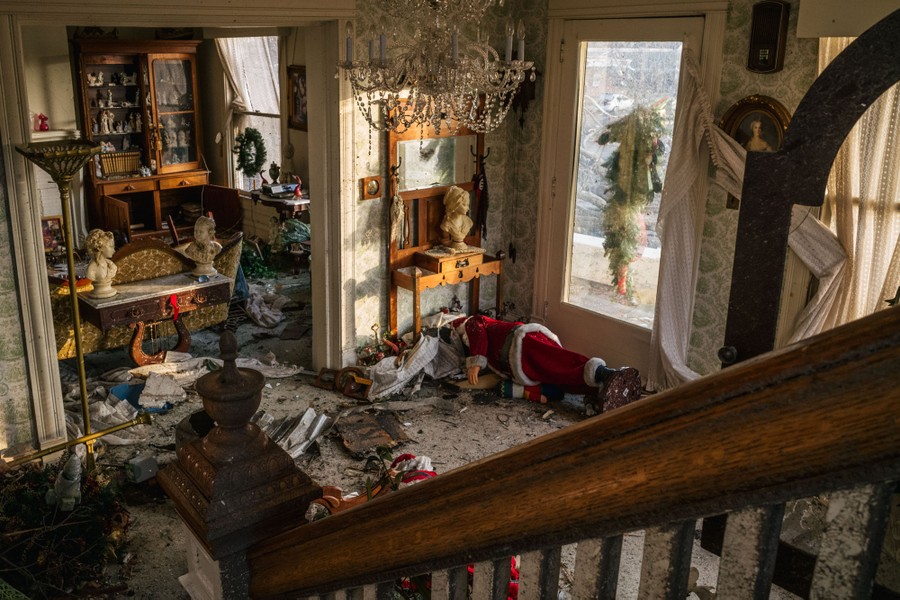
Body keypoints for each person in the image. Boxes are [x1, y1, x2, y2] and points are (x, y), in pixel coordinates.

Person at [454, 314, 642, 414]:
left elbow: (475, 327)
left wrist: (475, 362)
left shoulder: (470, 323)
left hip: (521, 344)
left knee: (561, 363)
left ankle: (603, 372)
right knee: (558, 376)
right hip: (518, 361)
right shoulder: (470, 342)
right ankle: (598, 393)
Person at [85, 229, 118, 298]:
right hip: (98, 292)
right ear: (101, 247)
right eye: (111, 246)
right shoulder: (91, 269)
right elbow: (89, 275)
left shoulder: (111, 265)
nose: (114, 250)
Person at [440, 185, 474, 252]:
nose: (468, 208)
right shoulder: (447, 224)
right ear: (454, 206)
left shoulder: (468, 222)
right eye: (464, 205)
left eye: (468, 205)